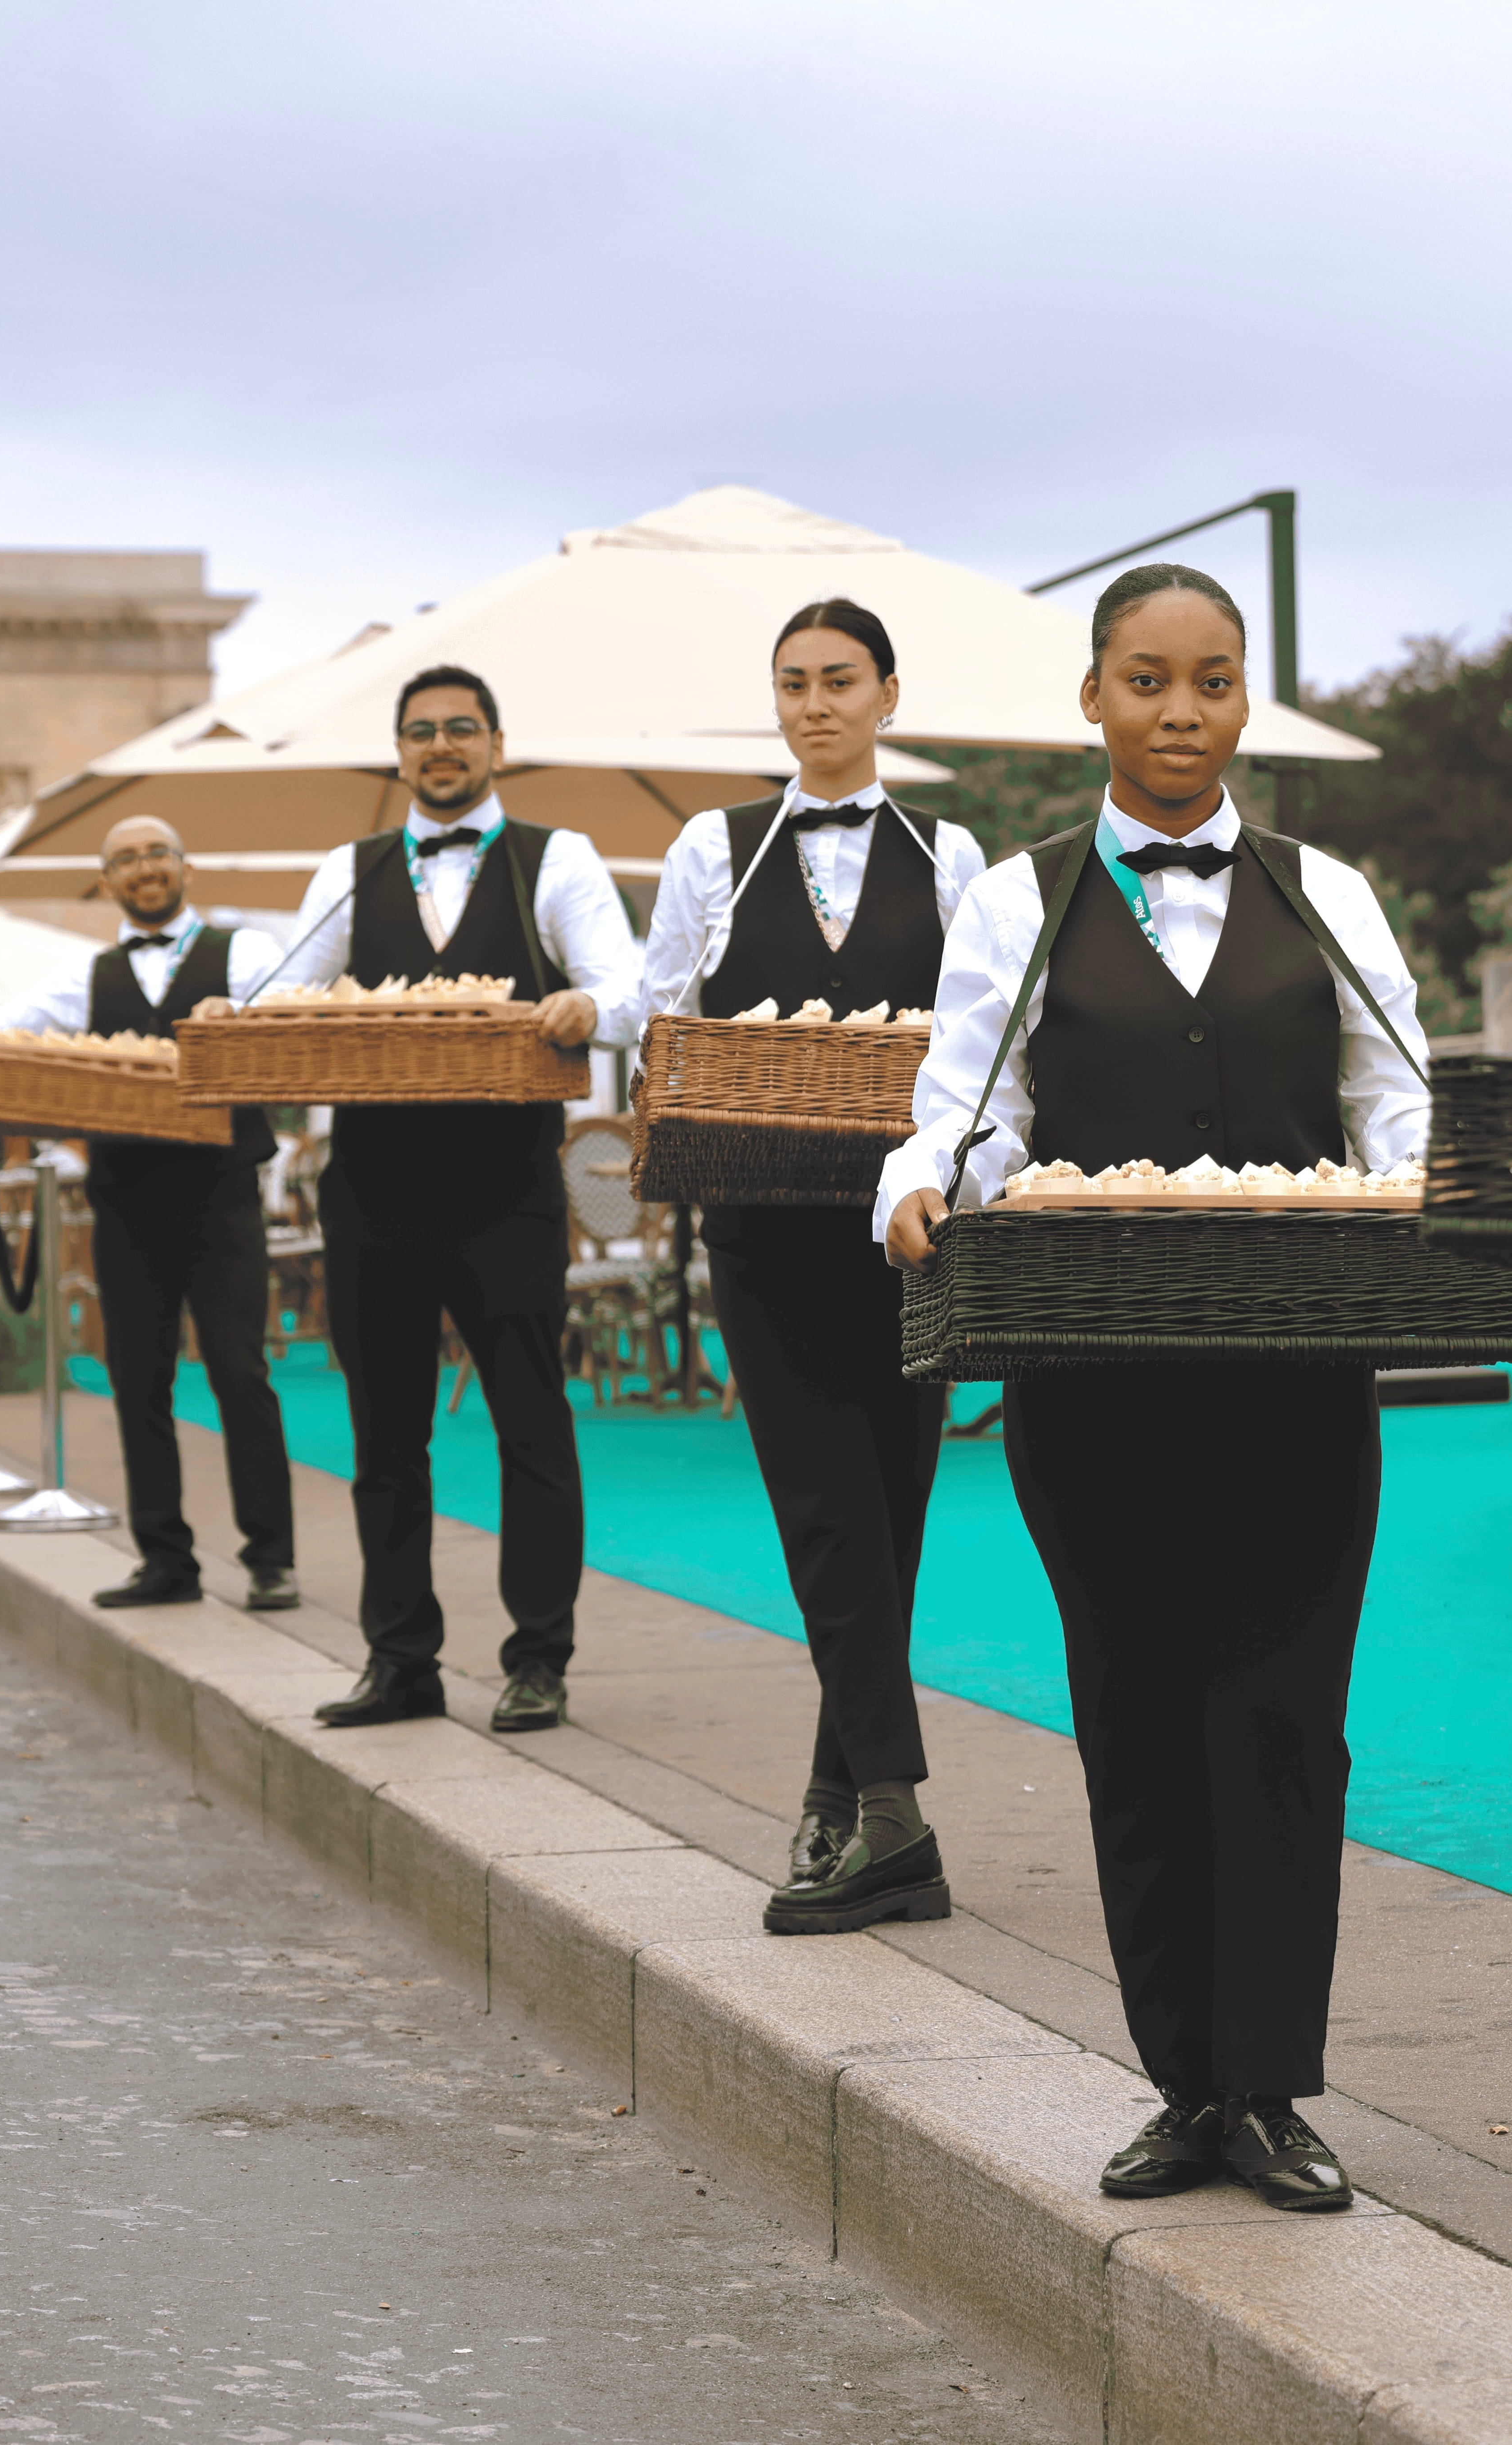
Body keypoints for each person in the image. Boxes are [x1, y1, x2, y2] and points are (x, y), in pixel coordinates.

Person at [881, 563, 1430, 2210]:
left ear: (1240, 697)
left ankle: (1267, 2085)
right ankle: (1181, 2080)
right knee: (1131, 1708)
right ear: (1092, 698)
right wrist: (918, 1186)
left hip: (1293, 1370)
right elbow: (968, 1093)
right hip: (1092, 1373)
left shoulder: (1322, 884)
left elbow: (1387, 1094)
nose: (1176, 712)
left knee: (1277, 1718)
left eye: (1207, 681)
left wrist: (1428, 1194)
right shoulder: (1017, 895)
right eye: (1144, 680)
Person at [642, 600, 985, 1933]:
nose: (815, 704)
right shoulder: (710, 849)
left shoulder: (952, 855)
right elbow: (665, 1012)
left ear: (889, 695)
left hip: (910, 1233)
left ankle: (839, 1789)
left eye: (840, 681)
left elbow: (977, 1045)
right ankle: (897, 1818)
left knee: (890, 1515)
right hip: (758, 1227)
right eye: (792, 684)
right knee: (825, 1505)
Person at [278, 664, 639, 1732]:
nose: (442, 746)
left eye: (461, 729)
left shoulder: (554, 856)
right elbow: (293, 985)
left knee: (530, 1424)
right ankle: (401, 1659)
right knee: (384, 1436)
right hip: (372, 1190)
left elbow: (625, 985)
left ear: (495, 741)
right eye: (422, 731)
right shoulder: (348, 872)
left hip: (506, 1189)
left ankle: (539, 1657)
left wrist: (586, 1004)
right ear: (399, 751)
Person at [0, 814, 298, 1610]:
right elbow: (8, 1036)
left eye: (157, 852)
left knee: (240, 1373)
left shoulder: (246, 954)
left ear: (184, 866)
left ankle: (272, 1559)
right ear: (109, 880)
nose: (145, 867)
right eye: (126, 858)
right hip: (123, 1200)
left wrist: (243, 1020)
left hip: (222, 1193)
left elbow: (289, 1009)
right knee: (138, 1378)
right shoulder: (82, 979)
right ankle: (166, 1559)